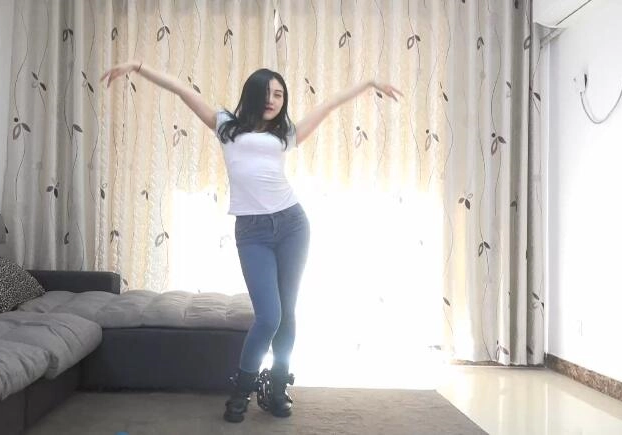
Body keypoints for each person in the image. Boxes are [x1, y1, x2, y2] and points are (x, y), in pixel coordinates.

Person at [102, 61, 402, 423]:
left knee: (286, 313)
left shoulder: (285, 133)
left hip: (292, 225)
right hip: (252, 232)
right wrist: (137, 67)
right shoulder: (226, 126)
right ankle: (242, 390)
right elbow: (182, 90)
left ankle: (277, 387)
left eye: (280, 95)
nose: (273, 100)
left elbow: (330, 104)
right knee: (269, 316)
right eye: (267, 93)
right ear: (253, 94)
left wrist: (369, 81)